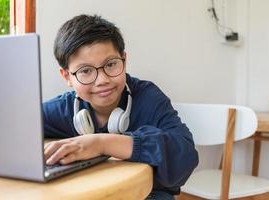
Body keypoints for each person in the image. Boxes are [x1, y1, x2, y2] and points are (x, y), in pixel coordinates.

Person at [43, 14, 198, 200]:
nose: (102, 80)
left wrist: (102, 143)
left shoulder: (148, 97)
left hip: (147, 193)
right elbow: (14, 126)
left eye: (110, 64)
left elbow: (185, 154)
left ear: (124, 60)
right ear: (67, 77)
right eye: (85, 71)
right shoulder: (64, 108)